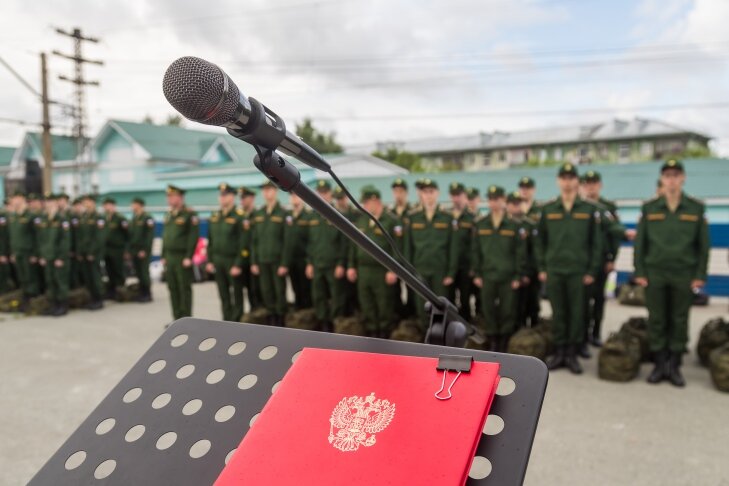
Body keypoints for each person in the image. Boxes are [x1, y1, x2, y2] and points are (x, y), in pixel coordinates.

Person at [634, 159, 709, 387]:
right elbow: (641, 243)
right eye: (668, 176)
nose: (672, 180)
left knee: (679, 318)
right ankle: (659, 364)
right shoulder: (650, 207)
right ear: (662, 180)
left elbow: (703, 246)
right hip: (655, 273)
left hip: (683, 274)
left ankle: (674, 364)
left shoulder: (695, 208)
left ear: (683, 178)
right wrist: (640, 270)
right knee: (657, 319)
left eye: (676, 175)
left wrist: (699, 274)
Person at [536, 163, 602, 374]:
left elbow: (596, 243)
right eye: (563, 178)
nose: (567, 181)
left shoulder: (589, 209)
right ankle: (559, 352)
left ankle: (572, 354)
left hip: (578, 271)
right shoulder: (548, 209)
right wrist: (542, 267)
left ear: (576, 181)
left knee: (577, 313)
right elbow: (541, 242)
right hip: (555, 270)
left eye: (571, 177)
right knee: (558, 312)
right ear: (558, 181)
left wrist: (591, 270)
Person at [472, 186, 526, 351]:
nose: (494, 203)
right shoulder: (481, 224)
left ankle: (505, 339)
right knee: (488, 309)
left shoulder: (514, 225)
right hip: (488, 275)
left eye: (497, 199)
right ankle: (493, 339)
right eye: (491, 199)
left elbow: (520, 253)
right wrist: (477, 273)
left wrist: (518, 276)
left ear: (504, 201)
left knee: (507, 310)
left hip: (507, 276)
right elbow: (475, 251)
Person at [347, 186, 401, 338]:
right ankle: (372, 332)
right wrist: (351, 266)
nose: (364, 206)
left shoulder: (391, 221)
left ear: (375, 201)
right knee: (367, 303)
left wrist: (393, 270)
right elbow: (354, 245)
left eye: (366, 202)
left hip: (382, 271)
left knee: (384, 304)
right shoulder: (361, 220)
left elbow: (397, 248)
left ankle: (385, 333)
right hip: (363, 270)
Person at [404, 179, 458, 329]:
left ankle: (441, 340)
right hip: (419, 270)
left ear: (437, 193)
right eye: (425, 192)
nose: (428, 195)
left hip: (440, 270)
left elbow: (453, 248)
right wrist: (409, 272)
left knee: (441, 306)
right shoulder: (413, 218)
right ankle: (424, 338)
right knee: (422, 307)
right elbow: (408, 248)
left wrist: (451, 272)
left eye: (431, 191)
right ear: (421, 194)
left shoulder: (447, 218)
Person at [306, 180, 347, 331]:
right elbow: (310, 243)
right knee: (319, 296)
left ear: (330, 194)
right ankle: (323, 324)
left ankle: (337, 324)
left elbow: (344, 243)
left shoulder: (338, 215)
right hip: (317, 264)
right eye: (320, 192)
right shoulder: (313, 217)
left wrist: (341, 264)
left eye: (325, 192)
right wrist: (309, 262)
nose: (322, 195)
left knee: (337, 297)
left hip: (333, 265)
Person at [250, 180, 290, 326]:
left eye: (270, 189)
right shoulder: (258, 213)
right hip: (262, 260)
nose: (267, 193)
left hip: (277, 261)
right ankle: (271, 318)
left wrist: (284, 263)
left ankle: (281, 320)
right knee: (266, 291)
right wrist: (254, 261)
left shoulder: (283, 213)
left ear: (276, 191)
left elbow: (287, 242)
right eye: (264, 190)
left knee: (279, 292)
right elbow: (254, 240)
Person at [207, 183, 245, 322]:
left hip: (232, 260)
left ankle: (238, 320)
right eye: (220, 195)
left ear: (232, 197)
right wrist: (210, 260)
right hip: (218, 260)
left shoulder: (239, 216)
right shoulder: (215, 216)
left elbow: (243, 243)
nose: (222, 198)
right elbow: (210, 241)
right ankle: (227, 319)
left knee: (237, 293)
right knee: (223, 293)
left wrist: (238, 264)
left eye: (225, 195)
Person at [162, 185, 199, 320]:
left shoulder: (189, 214)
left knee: (184, 288)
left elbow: (193, 237)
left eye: (172, 196)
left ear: (180, 197)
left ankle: (186, 319)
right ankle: (176, 318)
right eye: (168, 196)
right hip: (170, 257)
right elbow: (165, 236)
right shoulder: (169, 214)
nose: (169, 199)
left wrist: (189, 256)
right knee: (173, 288)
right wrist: (163, 255)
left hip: (182, 257)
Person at [506, 190, 539, 328]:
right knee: (513, 307)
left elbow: (535, 252)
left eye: (519, 204)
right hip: (510, 273)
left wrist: (527, 273)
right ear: (507, 205)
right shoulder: (505, 224)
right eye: (513, 204)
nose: (516, 207)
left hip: (529, 274)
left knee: (532, 304)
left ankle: (532, 332)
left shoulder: (530, 225)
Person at [37, 194, 71, 316]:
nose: (49, 204)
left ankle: (63, 305)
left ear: (56, 203)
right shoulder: (44, 219)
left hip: (58, 258)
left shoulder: (62, 219)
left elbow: (65, 240)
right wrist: (42, 255)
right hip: (47, 256)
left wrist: (61, 257)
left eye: (51, 202)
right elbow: (41, 239)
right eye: (47, 202)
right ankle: (53, 305)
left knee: (60, 282)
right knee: (50, 281)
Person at [447, 182, 475, 320]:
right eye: (453, 195)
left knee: (465, 299)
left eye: (458, 195)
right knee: (449, 300)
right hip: (449, 266)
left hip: (465, 266)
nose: (456, 198)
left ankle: (466, 327)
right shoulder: (446, 216)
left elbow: (475, 245)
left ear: (465, 196)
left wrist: (473, 267)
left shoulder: (472, 218)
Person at [390, 178, 415, 319]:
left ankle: (412, 318)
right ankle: (399, 318)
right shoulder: (390, 213)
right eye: (395, 191)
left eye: (401, 191)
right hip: (394, 258)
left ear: (406, 193)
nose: (398, 194)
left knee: (412, 290)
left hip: (409, 258)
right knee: (394, 291)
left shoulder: (413, 213)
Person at [8, 192, 39, 308]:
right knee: (22, 277)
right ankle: (25, 298)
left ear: (21, 199)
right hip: (18, 252)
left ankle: (33, 300)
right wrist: (13, 252)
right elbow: (13, 236)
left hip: (28, 252)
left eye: (15, 198)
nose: (13, 201)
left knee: (30, 277)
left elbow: (36, 236)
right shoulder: (14, 216)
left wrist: (34, 253)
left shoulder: (30, 216)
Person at [78, 195, 106, 310]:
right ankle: (92, 298)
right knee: (88, 277)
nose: (85, 203)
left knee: (95, 276)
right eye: (84, 202)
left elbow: (99, 237)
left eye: (87, 201)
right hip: (84, 252)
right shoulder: (84, 216)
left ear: (93, 203)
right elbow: (81, 236)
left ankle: (99, 299)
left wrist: (92, 252)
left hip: (94, 253)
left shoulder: (98, 217)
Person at [285, 191, 312, 310]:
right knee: (295, 287)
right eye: (292, 196)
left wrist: (310, 261)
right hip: (292, 260)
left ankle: (308, 313)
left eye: (296, 195)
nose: (294, 198)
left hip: (304, 259)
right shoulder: (288, 216)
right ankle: (298, 313)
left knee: (306, 288)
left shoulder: (308, 215)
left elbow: (311, 240)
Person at [128, 197, 155, 302]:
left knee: (144, 272)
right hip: (134, 250)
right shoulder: (134, 218)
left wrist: (144, 250)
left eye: (133, 204)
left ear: (139, 205)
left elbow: (149, 236)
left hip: (142, 250)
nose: (131, 206)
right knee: (138, 272)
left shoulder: (147, 218)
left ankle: (147, 294)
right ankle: (141, 292)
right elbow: (131, 236)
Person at [238, 187, 260, 312]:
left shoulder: (257, 215)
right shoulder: (241, 217)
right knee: (248, 289)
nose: (242, 201)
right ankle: (253, 312)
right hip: (244, 260)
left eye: (244, 198)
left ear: (251, 198)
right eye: (241, 198)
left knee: (257, 289)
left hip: (254, 259)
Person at [102, 197, 129, 299]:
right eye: (105, 205)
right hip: (107, 249)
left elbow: (127, 234)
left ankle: (121, 291)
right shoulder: (104, 218)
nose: (107, 207)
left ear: (113, 206)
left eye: (109, 205)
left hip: (117, 249)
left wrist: (126, 249)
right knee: (109, 270)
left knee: (118, 270)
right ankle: (111, 290)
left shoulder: (120, 218)